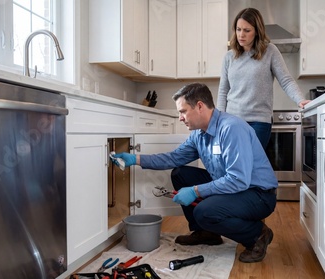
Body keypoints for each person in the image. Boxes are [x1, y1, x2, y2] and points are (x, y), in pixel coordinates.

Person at [112, 83, 278, 263]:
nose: (180, 118)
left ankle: (257, 235)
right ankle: (206, 233)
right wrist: (135, 159)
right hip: (233, 187)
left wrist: (195, 191)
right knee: (180, 173)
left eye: (183, 111)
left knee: (204, 212)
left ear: (199, 106)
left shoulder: (231, 128)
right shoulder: (199, 134)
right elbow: (173, 158)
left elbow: (238, 180)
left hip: (258, 194)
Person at [217, 7, 310, 148]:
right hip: (232, 120)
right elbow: (223, 90)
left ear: (257, 31)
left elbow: (286, 80)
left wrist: (300, 99)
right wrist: (219, 119)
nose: (241, 34)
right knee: (236, 163)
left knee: (252, 162)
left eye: (247, 30)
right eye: (238, 29)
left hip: (259, 122)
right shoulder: (229, 57)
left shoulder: (270, 51)